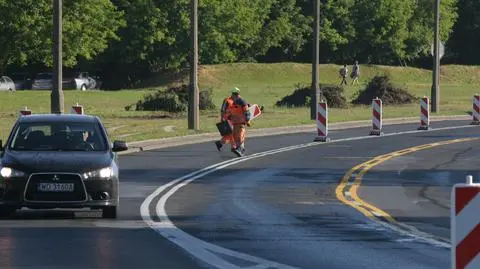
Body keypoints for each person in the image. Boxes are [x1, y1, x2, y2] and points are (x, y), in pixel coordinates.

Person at [222, 88, 252, 157]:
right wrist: (227, 117)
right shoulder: (234, 102)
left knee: (240, 136)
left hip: (241, 122)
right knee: (235, 136)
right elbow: (231, 111)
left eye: (232, 94)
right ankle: (239, 149)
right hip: (235, 122)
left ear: (234, 94)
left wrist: (247, 120)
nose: (231, 95)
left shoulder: (242, 101)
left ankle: (241, 149)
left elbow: (246, 111)